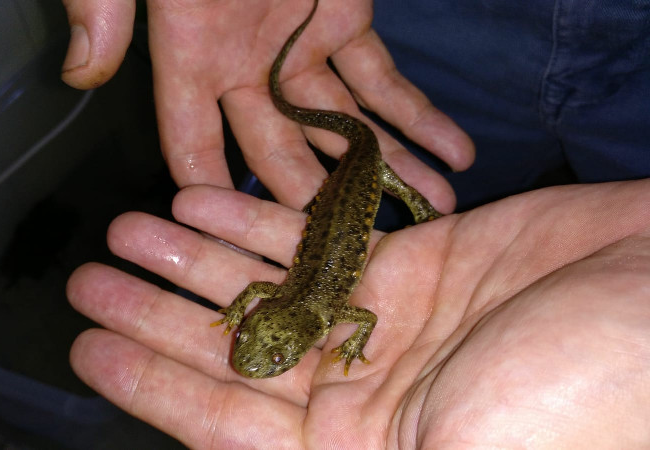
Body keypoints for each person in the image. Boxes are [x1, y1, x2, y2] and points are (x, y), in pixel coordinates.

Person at [61, 0, 650, 446]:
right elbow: (308, 300)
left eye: (257, 345)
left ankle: (391, 181)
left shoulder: (307, 305)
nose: (253, 353)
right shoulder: (302, 303)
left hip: (366, 178)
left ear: (289, 329)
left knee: (397, 183)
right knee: (397, 184)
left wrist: (300, 328)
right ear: (278, 325)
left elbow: (352, 312)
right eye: (263, 348)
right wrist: (246, 314)